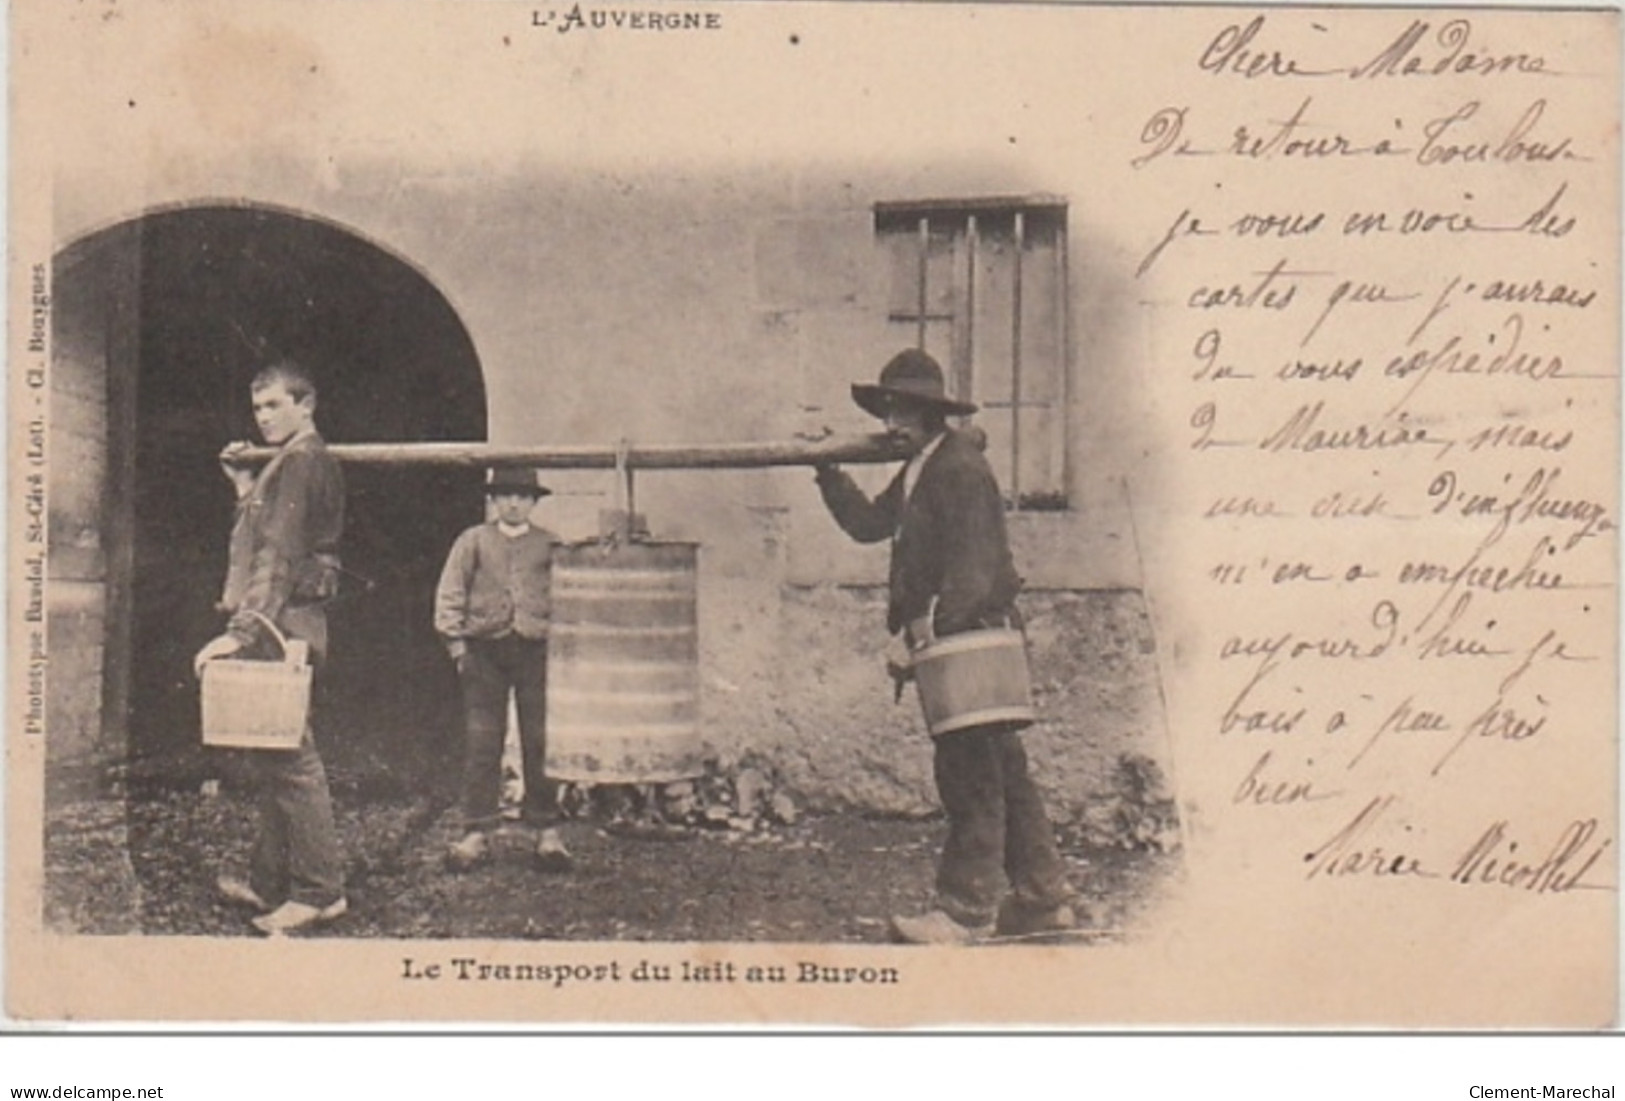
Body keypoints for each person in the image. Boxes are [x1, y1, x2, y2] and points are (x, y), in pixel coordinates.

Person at [813, 348, 1075, 944]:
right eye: (887, 409)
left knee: (968, 775)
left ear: (933, 413)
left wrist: (924, 638)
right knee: (1004, 772)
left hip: (970, 638)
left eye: (905, 409)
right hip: (964, 636)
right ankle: (1043, 897)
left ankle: (963, 913)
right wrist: (828, 472)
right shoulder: (922, 467)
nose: (891, 423)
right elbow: (870, 526)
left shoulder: (957, 468)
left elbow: (975, 572)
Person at [194, 360, 348, 936]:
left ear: (306, 405)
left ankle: (319, 892)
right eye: (257, 407)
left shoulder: (303, 462)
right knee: (273, 749)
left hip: (285, 625)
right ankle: (269, 881)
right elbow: (267, 534)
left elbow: (277, 558)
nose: (263, 417)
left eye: (275, 405)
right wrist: (244, 487)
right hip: (282, 622)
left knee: (292, 758)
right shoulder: (287, 465)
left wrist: (240, 633)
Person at [434, 468, 571, 872]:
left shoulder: (550, 544)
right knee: (482, 741)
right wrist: (458, 646)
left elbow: (567, 595)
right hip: (484, 653)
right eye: (506, 496)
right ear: (494, 500)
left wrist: (559, 645)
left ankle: (547, 832)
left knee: (540, 739)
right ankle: (475, 832)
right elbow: (450, 592)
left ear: (534, 502)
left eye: (522, 496)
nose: (514, 503)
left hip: (535, 650)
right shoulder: (473, 541)